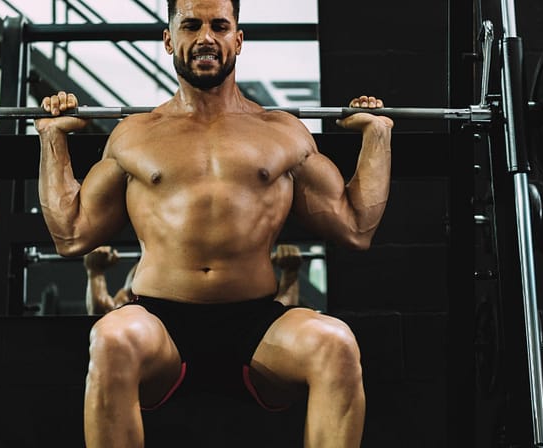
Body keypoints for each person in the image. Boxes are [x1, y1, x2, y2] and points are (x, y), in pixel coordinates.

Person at [34, 0, 393, 445]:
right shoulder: (135, 134)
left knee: (335, 343)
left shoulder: (281, 132)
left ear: (237, 40)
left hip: (256, 325)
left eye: (219, 25)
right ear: (169, 39)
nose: (206, 37)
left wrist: (377, 135)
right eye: (191, 24)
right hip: (159, 322)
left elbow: (356, 228)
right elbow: (71, 234)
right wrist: (53, 140)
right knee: (111, 338)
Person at [84, 244, 304, 314]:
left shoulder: (239, 268)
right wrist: (95, 272)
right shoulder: (147, 269)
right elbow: (103, 313)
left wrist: (291, 274)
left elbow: (275, 315)